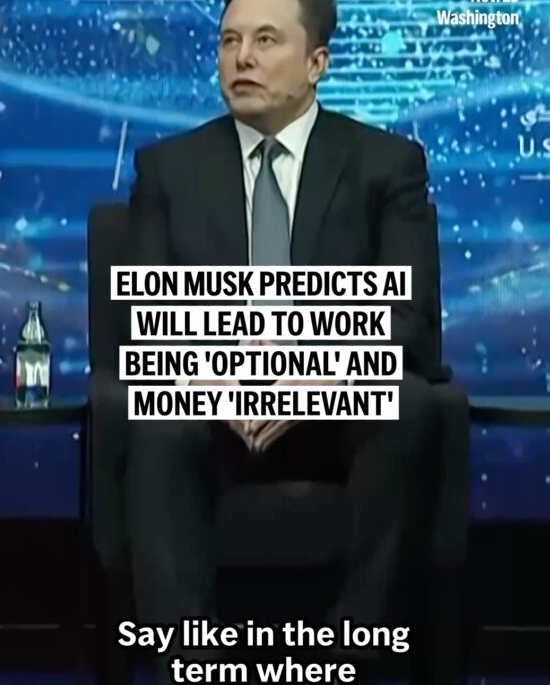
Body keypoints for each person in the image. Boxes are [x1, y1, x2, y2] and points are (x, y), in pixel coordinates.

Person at [125, 0, 441, 682]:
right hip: (212, 412)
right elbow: (144, 312)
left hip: (333, 410)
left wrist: (308, 376)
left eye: (266, 40)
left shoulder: (387, 164)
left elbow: (410, 318)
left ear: (316, 63)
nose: (241, 58)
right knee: (155, 420)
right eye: (229, 41)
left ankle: (352, 652)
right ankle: (186, 662)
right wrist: (212, 378)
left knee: (409, 403)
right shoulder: (166, 169)